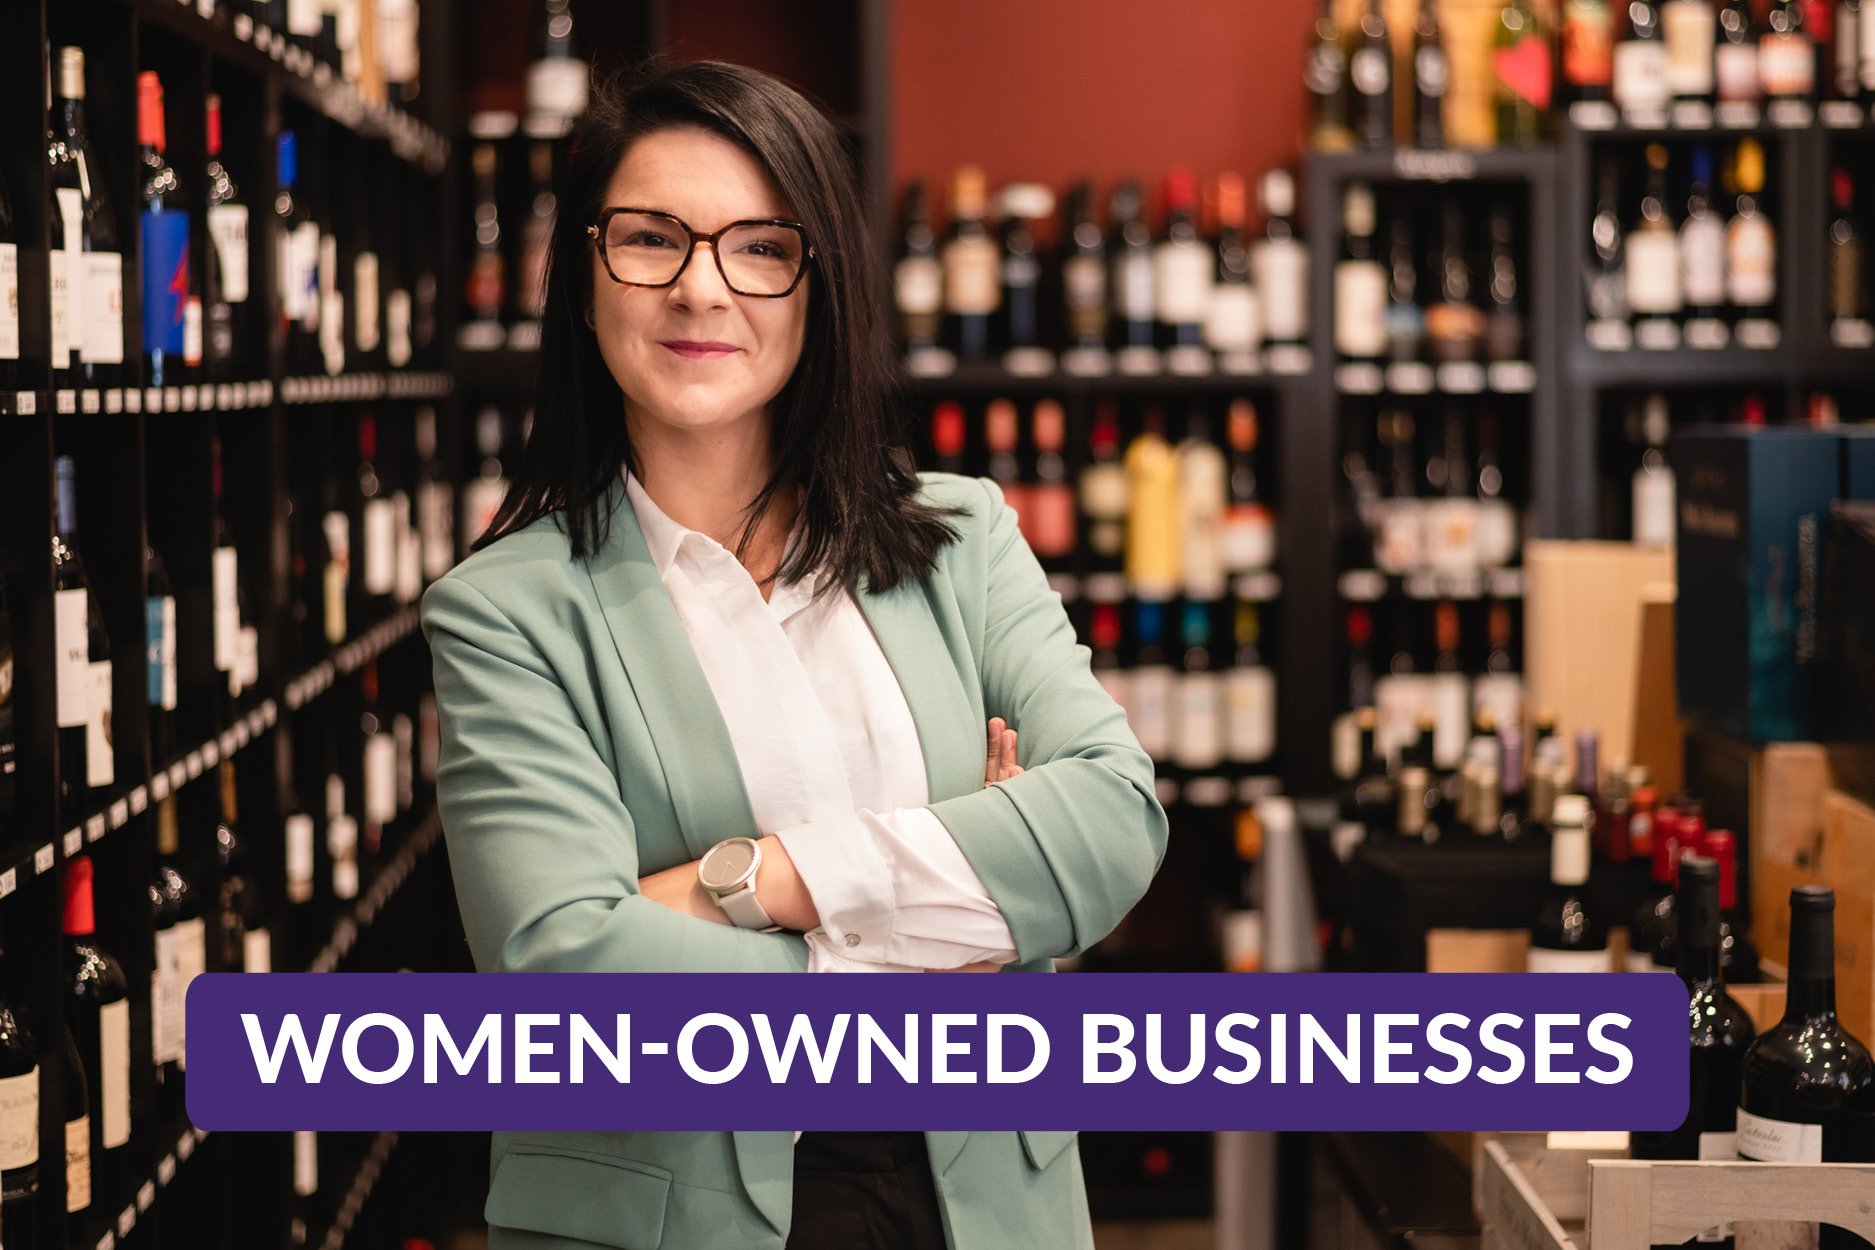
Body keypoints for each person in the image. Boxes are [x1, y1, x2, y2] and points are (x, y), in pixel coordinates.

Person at [421, 59, 1166, 1250]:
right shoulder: (503, 612)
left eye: (759, 246)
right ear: (584, 279)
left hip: (982, 1198)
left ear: (819, 285)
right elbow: (562, 966)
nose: (702, 288)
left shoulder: (963, 538)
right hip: (675, 1212)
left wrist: (747, 879)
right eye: (652, 239)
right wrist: (957, 893)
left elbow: (1114, 821)